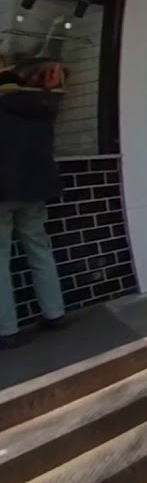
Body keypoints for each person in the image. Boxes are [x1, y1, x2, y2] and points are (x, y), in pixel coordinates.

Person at [0, 53, 68, 348]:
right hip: (37, 188)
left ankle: (7, 329)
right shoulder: (46, 106)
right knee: (39, 248)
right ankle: (54, 313)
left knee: (0, 259)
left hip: (1, 189)